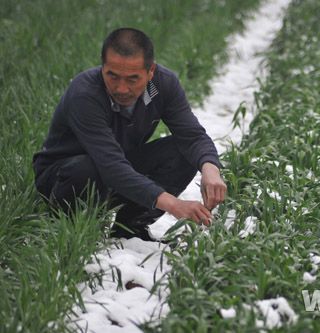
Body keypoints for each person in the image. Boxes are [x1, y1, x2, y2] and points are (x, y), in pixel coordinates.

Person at [32, 27, 227, 240]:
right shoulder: (85, 94)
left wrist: (210, 167)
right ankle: (70, 229)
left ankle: (131, 227)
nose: (121, 89)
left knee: (183, 151)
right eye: (112, 76)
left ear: (150, 71)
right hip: (66, 177)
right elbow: (110, 165)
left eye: (133, 79)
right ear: (102, 67)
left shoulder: (161, 86)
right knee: (85, 168)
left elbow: (192, 136)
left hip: (116, 167)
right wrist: (173, 204)